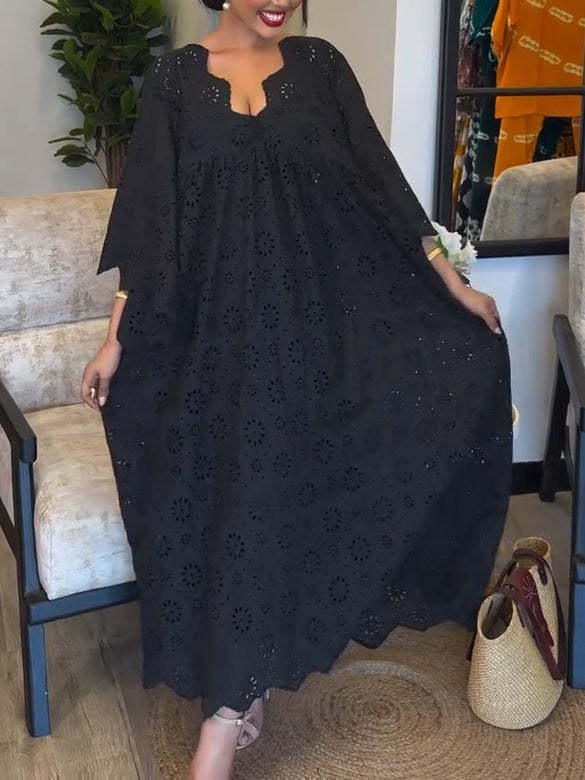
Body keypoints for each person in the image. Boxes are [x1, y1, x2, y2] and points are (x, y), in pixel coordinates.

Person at [81, 1, 513, 778]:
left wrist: (451, 286)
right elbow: (150, 225)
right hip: (211, 345)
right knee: (226, 509)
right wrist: (117, 336)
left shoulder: (320, 69)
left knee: (270, 505)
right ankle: (239, 689)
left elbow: (384, 190)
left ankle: (221, 724)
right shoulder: (175, 82)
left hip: (314, 340)